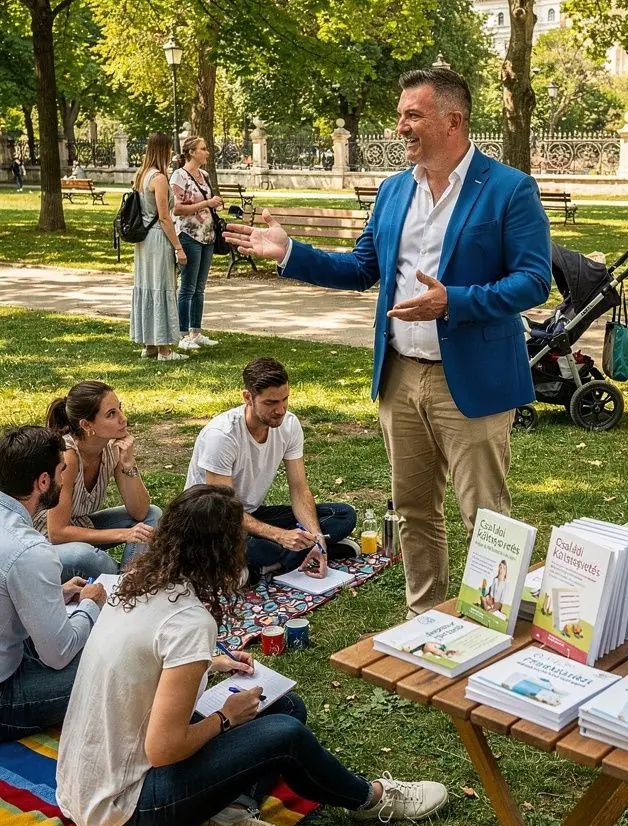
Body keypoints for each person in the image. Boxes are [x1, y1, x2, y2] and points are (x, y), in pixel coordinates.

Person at [225, 68, 552, 614]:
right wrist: (289, 252)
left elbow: (533, 279)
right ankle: (424, 616)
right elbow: (360, 268)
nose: (400, 126)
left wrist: (457, 300)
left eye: (412, 115)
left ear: (454, 120)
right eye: (400, 115)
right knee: (415, 509)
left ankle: (498, 620)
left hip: (470, 379)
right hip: (400, 374)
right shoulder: (395, 189)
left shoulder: (508, 189)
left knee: (487, 516)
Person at [55, 485, 448, 826]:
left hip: (84, 785)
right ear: (225, 551)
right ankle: (371, 799)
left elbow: (144, 661)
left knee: (285, 706)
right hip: (124, 815)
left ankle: (224, 814)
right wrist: (226, 719)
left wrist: (209, 663)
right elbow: (163, 748)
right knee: (285, 733)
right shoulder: (188, 620)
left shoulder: (134, 584)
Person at [185, 356, 358, 579]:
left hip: (251, 515)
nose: (280, 410)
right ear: (248, 397)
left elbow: (299, 488)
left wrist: (317, 536)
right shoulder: (222, 436)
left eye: (285, 400)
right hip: (210, 523)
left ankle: (277, 563)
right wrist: (280, 536)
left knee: (343, 515)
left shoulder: (289, 425)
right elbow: (223, 510)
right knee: (264, 548)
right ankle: (285, 557)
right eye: (271, 403)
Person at [0, 426, 105, 741]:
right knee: (116, 662)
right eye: (62, 471)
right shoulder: (27, 549)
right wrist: (91, 602)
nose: (65, 479)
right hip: (6, 692)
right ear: (42, 481)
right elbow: (58, 654)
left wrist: (55, 594)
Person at [39, 382, 162, 578]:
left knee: (152, 515)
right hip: (44, 543)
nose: (123, 419)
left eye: (120, 408)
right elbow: (57, 533)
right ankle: (126, 583)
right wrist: (123, 534)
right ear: (87, 425)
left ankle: (127, 578)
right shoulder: (67, 456)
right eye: (111, 414)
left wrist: (128, 463)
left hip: (80, 526)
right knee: (86, 556)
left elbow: (140, 511)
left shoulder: (112, 448)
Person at [129, 132, 188, 362]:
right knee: (163, 287)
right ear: (163, 150)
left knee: (147, 286)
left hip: (143, 240)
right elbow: (164, 217)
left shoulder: (141, 175)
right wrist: (178, 247)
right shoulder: (160, 178)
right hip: (157, 237)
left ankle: (150, 344)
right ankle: (164, 349)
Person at [170, 135, 222, 352]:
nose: (207, 152)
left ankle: (196, 331)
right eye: (203, 148)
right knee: (188, 287)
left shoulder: (205, 175)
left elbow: (206, 203)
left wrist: (214, 205)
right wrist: (206, 203)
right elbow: (177, 209)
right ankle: (182, 334)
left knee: (200, 287)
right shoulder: (179, 176)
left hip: (207, 235)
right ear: (191, 152)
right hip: (189, 235)